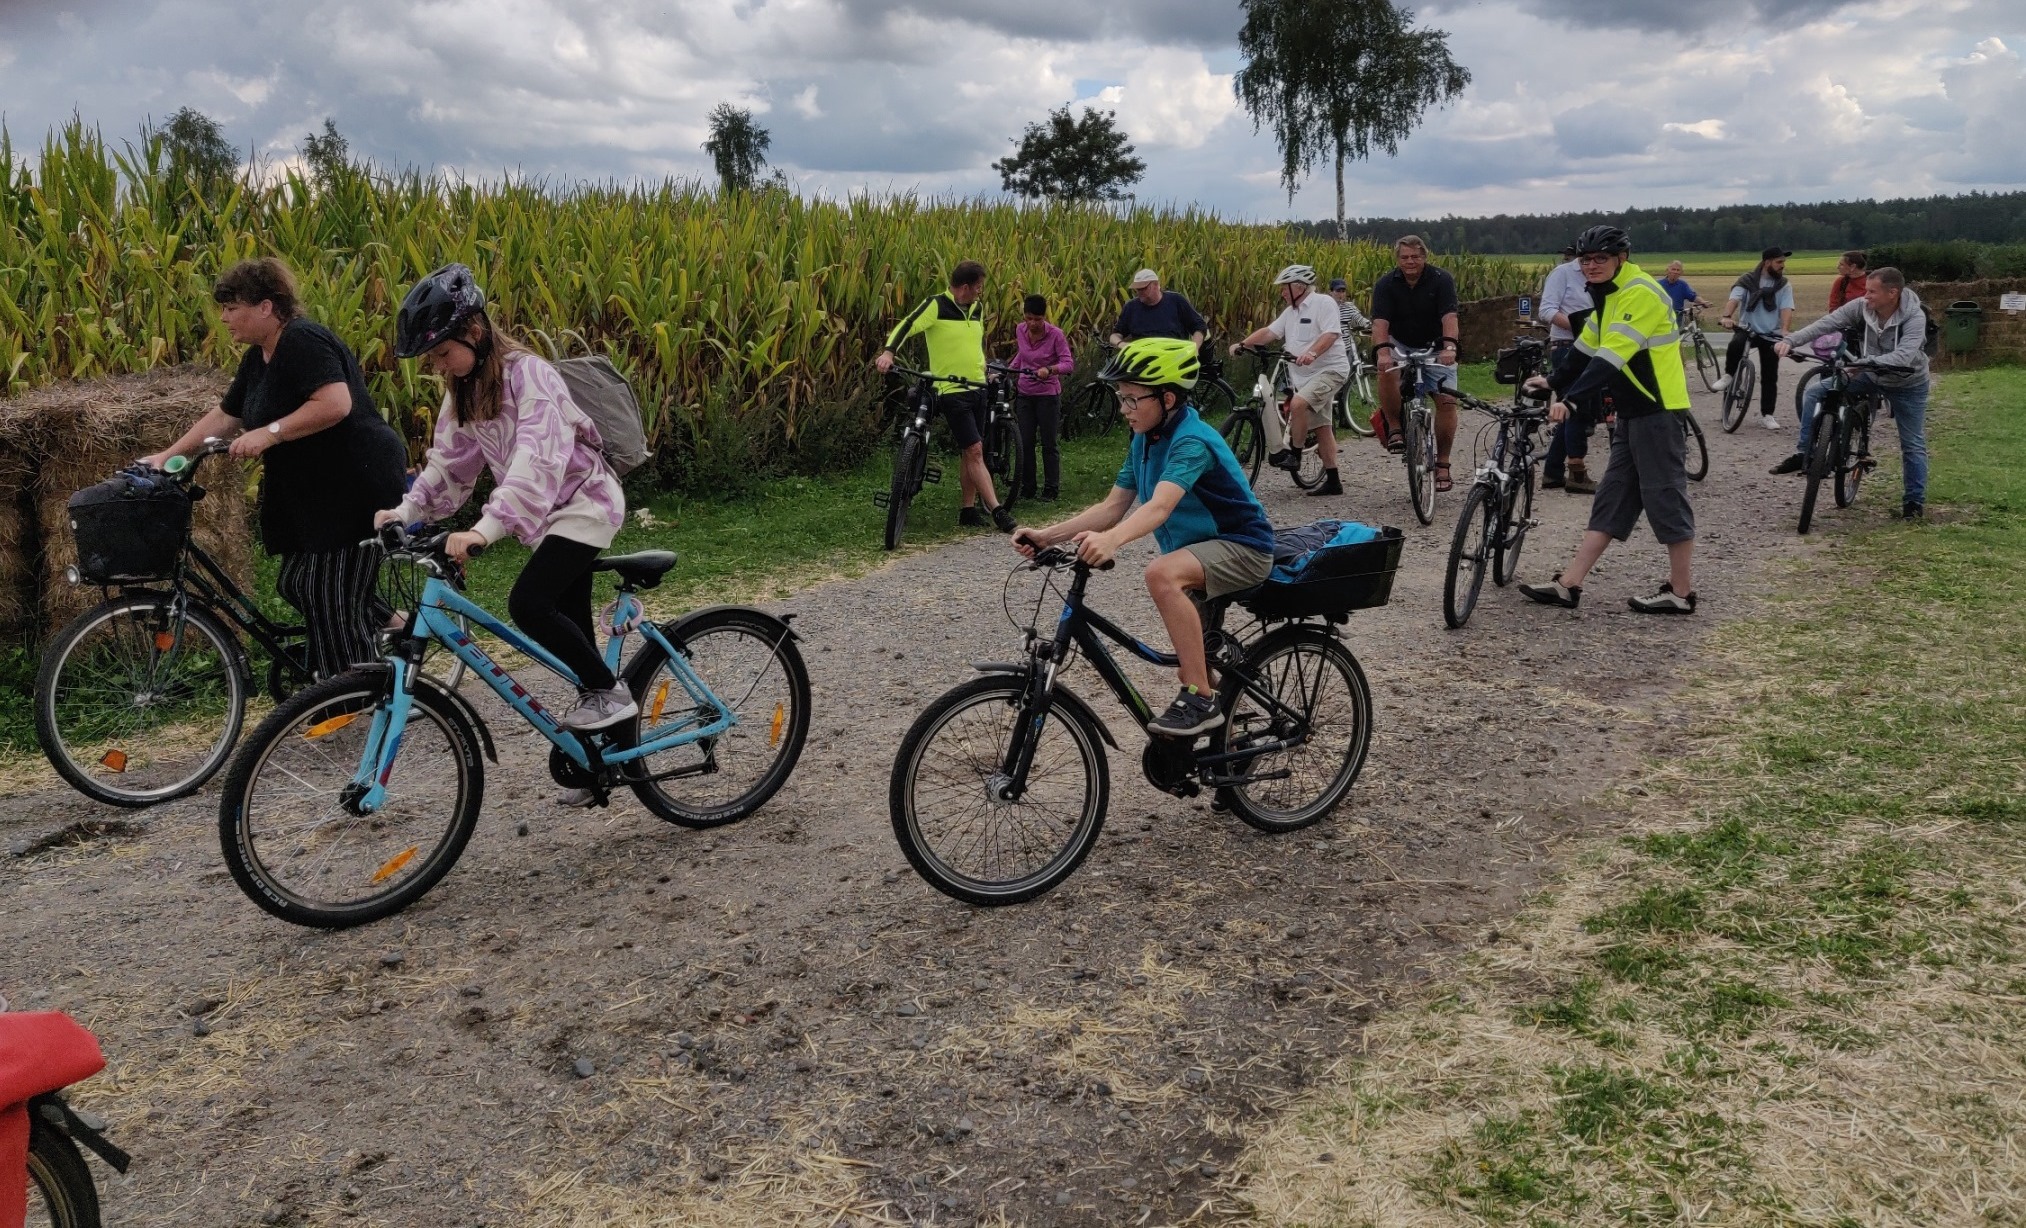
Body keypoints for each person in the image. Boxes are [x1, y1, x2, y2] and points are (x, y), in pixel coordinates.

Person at [375, 264, 632, 756]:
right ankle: (609, 757)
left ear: (475, 331)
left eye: (443, 353)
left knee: (530, 604)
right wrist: (404, 511)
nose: (440, 366)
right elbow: (450, 465)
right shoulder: (466, 390)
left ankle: (612, 695)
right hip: (548, 519)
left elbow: (537, 461)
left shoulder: (531, 375)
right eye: (433, 359)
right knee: (576, 642)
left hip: (586, 504)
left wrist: (484, 530)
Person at [142, 257, 407, 679]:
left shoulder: (303, 341)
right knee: (295, 583)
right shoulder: (258, 358)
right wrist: (167, 454)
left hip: (356, 479)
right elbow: (226, 415)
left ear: (266, 307)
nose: (224, 318)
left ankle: (352, 696)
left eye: (232, 308)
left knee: (328, 592)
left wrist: (271, 432)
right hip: (312, 488)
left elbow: (336, 403)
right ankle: (396, 626)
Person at [1011, 338, 1274, 737]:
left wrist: (1114, 541)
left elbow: (1159, 507)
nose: (1124, 410)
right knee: (1189, 665)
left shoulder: (1192, 441)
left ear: (1167, 398)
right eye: (1121, 398)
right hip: (1197, 555)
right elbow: (1113, 505)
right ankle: (1229, 752)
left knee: (1161, 575)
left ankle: (1202, 700)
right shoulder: (1144, 439)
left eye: (1133, 399)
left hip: (1244, 547)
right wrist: (1047, 536)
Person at [1517, 225, 1698, 615]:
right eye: (1585, 260)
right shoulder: (1609, 294)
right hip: (1634, 411)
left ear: (1621, 258)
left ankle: (1681, 593)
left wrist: (1572, 399)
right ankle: (1570, 584)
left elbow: (1612, 357)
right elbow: (1586, 347)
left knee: (1666, 497)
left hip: (1659, 408)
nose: (1591, 266)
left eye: (1601, 258)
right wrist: (1552, 380)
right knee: (1612, 497)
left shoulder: (1640, 292)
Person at [1769, 267, 1931, 519]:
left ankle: (1913, 504)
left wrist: (1863, 362)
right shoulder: (1862, 307)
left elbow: (1904, 355)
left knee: (1912, 445)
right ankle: (1806, 454)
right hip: (1868, 372)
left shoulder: (1914, 317)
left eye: (1871, 291)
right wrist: (1791, 341)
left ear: (1892, 293)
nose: (1865, 296)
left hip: (1907, 382)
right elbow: (1826, 323)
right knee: (1815, 393)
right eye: (1866, 290)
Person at [875, 261, 1015, 532]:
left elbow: (974, 344)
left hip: (978, 387)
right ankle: (998, 510)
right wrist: (889, 352)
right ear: (965, 287)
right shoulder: (936, 305)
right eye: (978, 289)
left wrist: (984, 367)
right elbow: (907, 324)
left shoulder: (977, 308)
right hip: (952, 390)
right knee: (975, 450)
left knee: (970, 451)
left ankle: (967, 509)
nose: (980, 294)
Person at [1230, 264, 1350, 496]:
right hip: (1304, 376)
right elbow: (1269, 333)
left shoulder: (1323, 303)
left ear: (1299, 287)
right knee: (1323, 427)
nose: (1282, 293)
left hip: (1330, 370)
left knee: (1297, 404)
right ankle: (1334, 481)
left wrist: (1312, 352)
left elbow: (1330, 334)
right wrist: (1244, 344)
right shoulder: (1290, 312)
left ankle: (1294, 455)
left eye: (1285, 288)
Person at [1370, 235, 1462, 492]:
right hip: (1399, 341)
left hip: (1435, 342)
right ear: (1397, 259)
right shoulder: (1386, 284)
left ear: (1425, 257)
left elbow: (1449, 317)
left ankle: (1443, 463)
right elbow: (1380, 324)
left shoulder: (1441, 280)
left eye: (1415, 257)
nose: (1410, 262)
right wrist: (1383, 352)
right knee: (1386, 369)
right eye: (1405, 257)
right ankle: (1396, 428)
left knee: (1446, 401)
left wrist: (1449, 347)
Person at [1538, 243, 1600, 494]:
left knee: (1572, 409)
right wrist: (1580, 328)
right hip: (1567, 346)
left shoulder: (1602, 276)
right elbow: (1547, 310)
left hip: (1594, 347)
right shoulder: (1563, 273)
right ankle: (1576, 472)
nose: (1592, 263)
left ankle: (1553, 472)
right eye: (1588, 257)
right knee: (1576, 407)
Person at [1715, 246, 1795, 429]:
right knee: (1736, 344)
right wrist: (1727, 317)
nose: (1783, 265)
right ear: (1767, 262)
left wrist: (1784, 329)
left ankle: (1768, 415)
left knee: (1770, 374)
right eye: (1779, 262)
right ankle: (1728, 376)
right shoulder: (1748, 280)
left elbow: (1786, 308)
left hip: (1771, 333)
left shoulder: (1783, 285)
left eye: (1783, 262)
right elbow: (1734, 299)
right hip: (1747, 328)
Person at [1011, 293, 1072, 501]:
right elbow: (1022, 354)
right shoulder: (1020, 330)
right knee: (1025, 442)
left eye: (1037, 319)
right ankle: (1028, 487)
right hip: (1025, 394)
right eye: (1029, 318)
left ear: (1044, 317)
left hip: (1047, 395)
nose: (1033, 323)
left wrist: (1050, 369)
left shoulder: (1056, 335)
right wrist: (1009, 369)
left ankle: (1051, 488)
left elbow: (1068, 363)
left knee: (1048, 443)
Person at [1109, 269, 1208, 347]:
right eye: (1138, 289)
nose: (1140, 292)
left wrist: (1194, 348)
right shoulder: (1131, 307)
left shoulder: (1176, 301)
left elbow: (1199, 326)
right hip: (1143, 360)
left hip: (1175, 359)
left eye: (1144, 288)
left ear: (1156, 285)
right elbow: (1115, 335)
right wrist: (1121, 344)